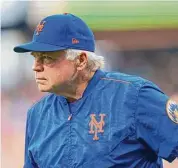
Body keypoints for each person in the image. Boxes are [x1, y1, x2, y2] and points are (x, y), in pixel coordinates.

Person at [14, 13, 178, 168]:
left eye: (47, 58)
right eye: (35, 57)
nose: (36, 67)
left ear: (81, 60)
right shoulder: (37, 114)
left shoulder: (134, 95)